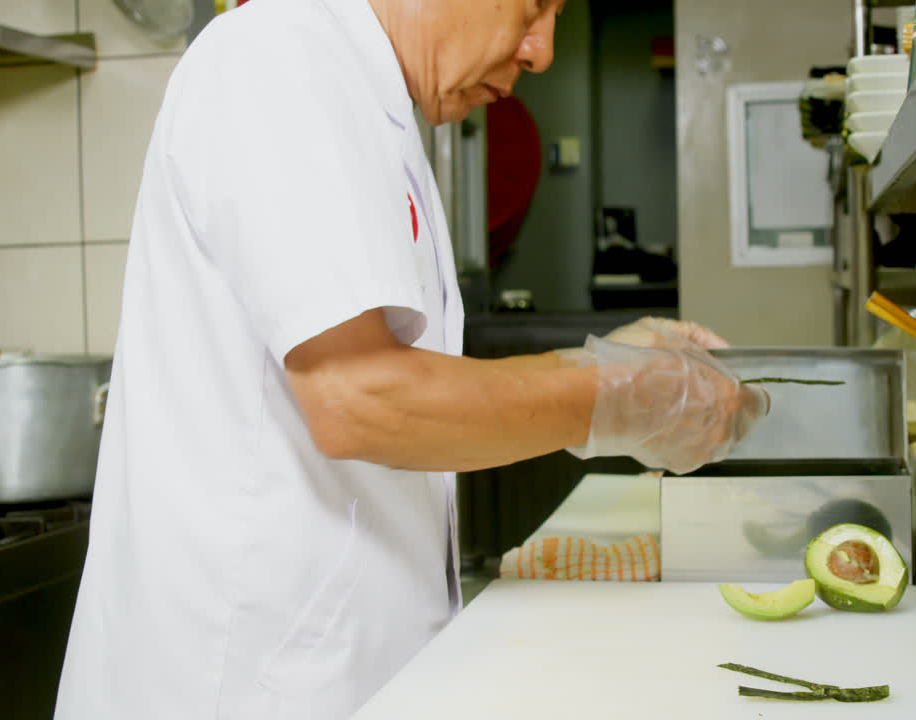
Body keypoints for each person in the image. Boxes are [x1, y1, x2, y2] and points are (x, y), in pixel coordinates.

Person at [53, 0, 768, 718]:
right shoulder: (276, 56)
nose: (542, 50)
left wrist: (613, 363)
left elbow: (402, 374)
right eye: (534, 7)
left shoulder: (377, 108)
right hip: (234, 686)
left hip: (334, 675)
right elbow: (361, 398)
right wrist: (623, 399)